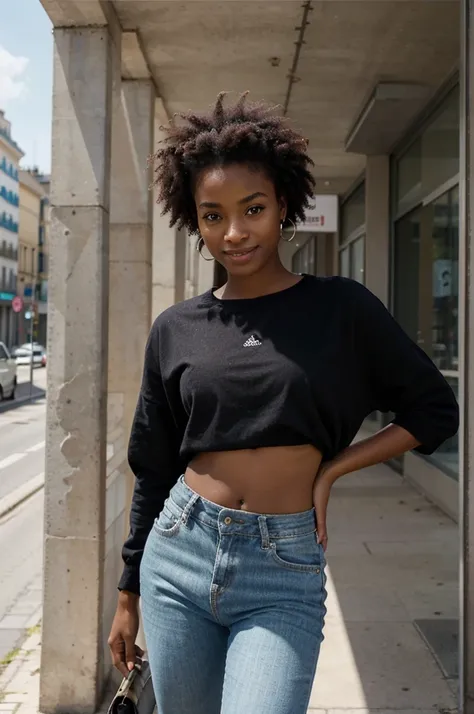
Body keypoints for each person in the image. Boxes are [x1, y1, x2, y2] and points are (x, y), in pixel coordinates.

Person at [108, 92, 459, 714]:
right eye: (213, 215)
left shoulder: (341, 309)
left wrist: (332, 469)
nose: (235, 232)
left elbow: (433, 409)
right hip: (179, 553)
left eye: (253, 209)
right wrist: (128, 591)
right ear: (194, 220)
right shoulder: (177, 327)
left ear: (284, 207)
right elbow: (154, 463)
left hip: (283, 564)